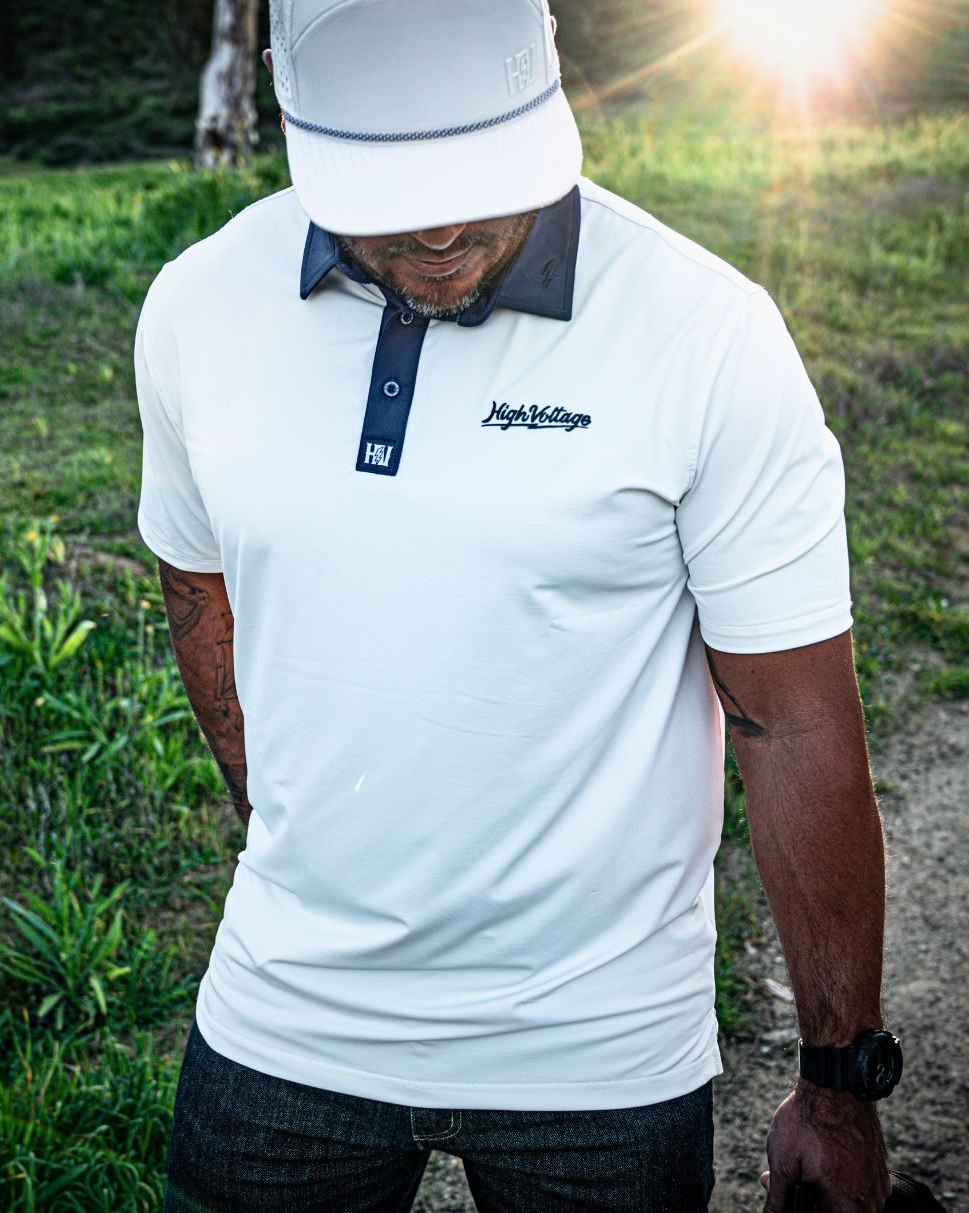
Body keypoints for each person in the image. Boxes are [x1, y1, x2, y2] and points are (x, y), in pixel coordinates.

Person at [135, 2, 901, 1209]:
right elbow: (196, 580)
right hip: (285, 1018)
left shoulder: (704, 332)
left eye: (480, 178)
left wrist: (838, 1080)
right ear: (288, 105)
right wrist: (275, 809)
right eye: (393, 195)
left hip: (599, 1053)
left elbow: (793, 718)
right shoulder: (196, 307)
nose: (443, 228)